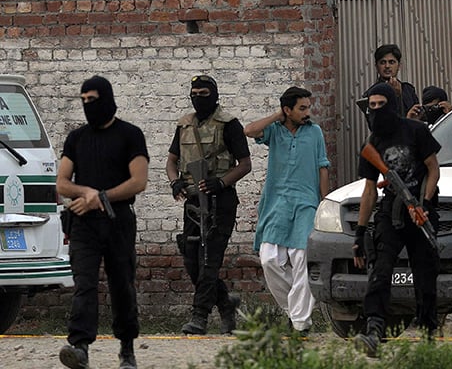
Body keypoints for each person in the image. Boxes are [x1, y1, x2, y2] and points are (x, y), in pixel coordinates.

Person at [56, 75, 149, 369]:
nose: (87, 105)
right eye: (83, 100)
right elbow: (61, 182)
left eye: (92, 100)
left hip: (118, 222)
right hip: (83, 223)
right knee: (84, 283)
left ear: (106, 99)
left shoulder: (130, 135)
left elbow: (139, 181)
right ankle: (80, 346)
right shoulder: (77, 138)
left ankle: (127, 349)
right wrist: (86, 192)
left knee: (121, 284)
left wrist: (103, 197)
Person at [352, 83, 441, 357]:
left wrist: (423, 205)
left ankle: (427, 333)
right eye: (372, 105)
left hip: (420, 210)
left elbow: (433, 170)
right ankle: (374, 329)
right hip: (391, 210)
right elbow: (369, 190)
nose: (377, 110)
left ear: (392, 104)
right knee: (380, 269)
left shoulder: (415, 131)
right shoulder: (372, 144)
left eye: (381, 104)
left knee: (425, 274)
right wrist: (360, 231)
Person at [166, 75, 252, 335]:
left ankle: (199, 317)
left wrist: (222, 183)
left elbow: (245, 165)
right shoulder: (184, 125)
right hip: (193, 202)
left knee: (209, 261)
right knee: (192, 261)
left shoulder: (229, 124)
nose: (198, 99)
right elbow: (171, 161)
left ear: (215, 96)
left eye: (204, 94)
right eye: (194, 94)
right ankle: (226, 303)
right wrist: (175, 182)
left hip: (220, 202)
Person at [243, 86, 330, 334]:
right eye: (301, 108)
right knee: (269, 259)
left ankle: (300, 324)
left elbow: (323, 166)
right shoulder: (274, 131)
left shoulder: (315, 132)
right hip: (276, 203)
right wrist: (275, 117)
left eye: (308, 107)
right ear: (287, 110)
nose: (307, 112)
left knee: (302, 259)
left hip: (306, 202)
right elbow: (248, 131)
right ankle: (294, 310)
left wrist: (324, 202)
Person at [362, 44, 419, 117]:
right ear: (376, 66)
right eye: (383, 62)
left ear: (399, 66)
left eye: (391, 62)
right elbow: (376, 124)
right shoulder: (370, 94)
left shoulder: (409, 89)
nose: (387, 66)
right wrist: (395, 96)